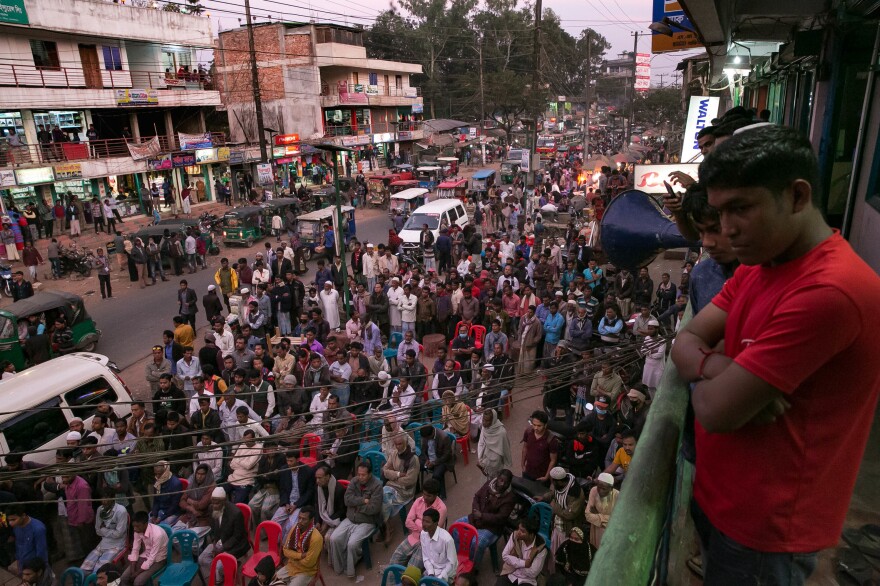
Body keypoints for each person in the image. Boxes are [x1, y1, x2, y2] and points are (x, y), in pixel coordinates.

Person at [667, 125, 880, 584]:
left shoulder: (830, 292)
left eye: (740, 208)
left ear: (798, 196)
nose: (724, 231)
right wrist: (719, 364)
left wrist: (704, 367)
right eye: (720, 213)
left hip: (765, 532)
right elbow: (683, 341)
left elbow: (713, 409)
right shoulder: (762, 262)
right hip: (720, 501)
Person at [459, 469, 517, 569]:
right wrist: (476, 511)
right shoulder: (489, 484)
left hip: (492, 527)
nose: (502, 484)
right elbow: (476, 497)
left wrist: (482, 516)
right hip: (476, 517)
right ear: (498, 478)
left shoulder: (509, 498)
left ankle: (473, 567)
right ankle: (460, 556)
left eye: (506, 482)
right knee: (456, 528)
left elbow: (500, 518)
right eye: (501, 480)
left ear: (509, 483)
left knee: (477, 543)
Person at [389, 478, 447, 569]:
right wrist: (424, 527)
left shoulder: (441, 508)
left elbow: (434, 532)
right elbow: (408, 522)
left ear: (436, 495)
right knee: (394, 562)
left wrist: (416, 521)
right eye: (424, 494)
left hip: (429, 543)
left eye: (429, 496)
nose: (425, 497)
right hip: (414, 537)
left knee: (411, 569)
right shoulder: (419, 501)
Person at [198, 487, 250, 583]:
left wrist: (223, 547)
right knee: (202, 559)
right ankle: (215, 576)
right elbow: (213, 529)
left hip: (236, 544)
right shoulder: (211, 508)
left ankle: (219, 580)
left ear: (224, 502)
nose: (214, 505)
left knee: (218, 565)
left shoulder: (236, 513)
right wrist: (214, 543)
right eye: (213, 502)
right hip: (219, 541)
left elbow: (237, 536)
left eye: (217, 503)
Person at [381, 433, 420, 545]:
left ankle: (387, 528)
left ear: (405, 443)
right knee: (382, 497)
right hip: (392, 485)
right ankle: (387, 526)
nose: (398, 446)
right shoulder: (393, 454)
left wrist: (392, 477)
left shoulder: (413, 459)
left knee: (383, 498)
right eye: (396, 444)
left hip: (405, 490)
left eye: (400, 443)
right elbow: (385, 470)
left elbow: (410, 480)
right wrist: (398, 474)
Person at [540, 467, 585, 561]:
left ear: (559, 481)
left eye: (553, 482)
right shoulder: (561, 485)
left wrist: (553, 505)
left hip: (568, 528)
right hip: (557, 526)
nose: (552, 484)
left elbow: (569, 515)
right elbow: (554, 493)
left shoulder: (575, 493)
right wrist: (543, 498)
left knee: (565, 554)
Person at [82, 490, 129, 572]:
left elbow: (119, 534)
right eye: (102, 498)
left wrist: (103, 529)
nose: (104, 501)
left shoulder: (121, 511)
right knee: (84, 567)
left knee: (99, 570)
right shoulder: (100, 509)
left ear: (113, 498)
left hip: (117, 544)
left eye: (106, 498)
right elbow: (97, 531)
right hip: (103, 543)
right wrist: (109, 531)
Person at [271, 450, 316, 537]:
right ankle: (276, 545)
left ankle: (285, 547)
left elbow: (309, 492)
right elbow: (283, 489)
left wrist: (296, 505)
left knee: (291, 526)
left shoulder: (308, 471)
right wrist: (286, 503)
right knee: (274, 522)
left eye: (291, 461)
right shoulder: (284, 470)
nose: (289, 463)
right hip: (287, 503)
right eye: (287, 460)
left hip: (300, 504)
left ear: (298, 459)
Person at [120, 511, 168, 586]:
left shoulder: (157, 535)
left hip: (159, 559)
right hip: (146, 555)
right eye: (134, 526)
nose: (135, 529)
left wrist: (136, 573)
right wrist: (133, 570)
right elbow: (135, 550)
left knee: (137, 582)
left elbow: (152, 557)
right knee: (124, 578)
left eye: (138, 526)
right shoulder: (137, 531)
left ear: (145, 524)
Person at [278, 506, 323, 586]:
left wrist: (293, 556)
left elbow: (309, 563)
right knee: (273, 582)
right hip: (290, 567)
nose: (300, 521)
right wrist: (301, 555)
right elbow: (285, 551)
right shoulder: (294, 528)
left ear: (311, 520)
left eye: (304, 519)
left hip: (306, 572)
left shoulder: (316, 538)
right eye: (299, 518)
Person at [497, 517, 548, 586]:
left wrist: (514, 561)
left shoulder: (541, 548)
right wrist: (526, 563)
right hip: (511, 573)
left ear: (531, 534)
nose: (518, 532)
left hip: (528, 580)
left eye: (522, 531)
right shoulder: (515, 536)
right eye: (518, 529)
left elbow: (533, 573)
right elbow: (504, 556)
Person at [6, 505, 48, 572]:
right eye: (9, 520)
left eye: (13, 519)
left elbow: (41, 552)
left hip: (35, 568)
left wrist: (37, 570)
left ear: (23, 515)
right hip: (23, 565)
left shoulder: (38, 529)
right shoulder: (16, 526)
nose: (10, 523)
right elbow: (19, 546)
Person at [420, 508, 458, 582]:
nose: (423, 524)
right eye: (423, 520)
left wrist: (439, 579)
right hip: (430, 571)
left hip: (446, 573)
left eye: (427, 522)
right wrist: (431, 573)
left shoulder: (447, 539)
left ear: (435, 523)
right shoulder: (423, 534)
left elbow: (452, 563)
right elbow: (426, 558)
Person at [521, 410, 558, 484]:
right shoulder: (528, 432)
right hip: (527, 472)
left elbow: (553, 460)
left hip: (541, 477)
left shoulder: (551, 439)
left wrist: (546, 476)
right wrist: (522, 464)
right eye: (534, 424)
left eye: (539, 426)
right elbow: (525, 448)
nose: (535, 428)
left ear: (545, 425)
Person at [419, 424, 455, 499]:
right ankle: (416, 489)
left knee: (436, 475)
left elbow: (447, 455)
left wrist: (434, 463)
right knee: (416, 465)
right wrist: (427, 460)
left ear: (432, 434)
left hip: (442, 461)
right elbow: (423, 450)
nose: (425, 439)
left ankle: (439, 495)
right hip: (429, 459)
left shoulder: (444, 437)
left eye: (427, 438)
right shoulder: (425, 436)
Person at [584, 472, 618, 549]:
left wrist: (597, 514)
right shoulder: (594, 490)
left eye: (604, 489)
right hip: (596, 530)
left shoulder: (618, 496)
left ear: (611, 488)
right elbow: (588, 515)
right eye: (599, 487)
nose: (600, 491)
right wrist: (607, 518)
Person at [477, 409, 512, 479]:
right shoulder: (484, 428)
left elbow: (506, 447)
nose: (484, 422)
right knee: (487, 477)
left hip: (496, 462)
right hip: (485, 458)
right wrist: (480, 457)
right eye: (483, 419)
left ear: (493, 420)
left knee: (496, 479)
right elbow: (481, 442)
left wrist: (508, 461)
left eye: (487, 420)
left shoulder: (501, 432)